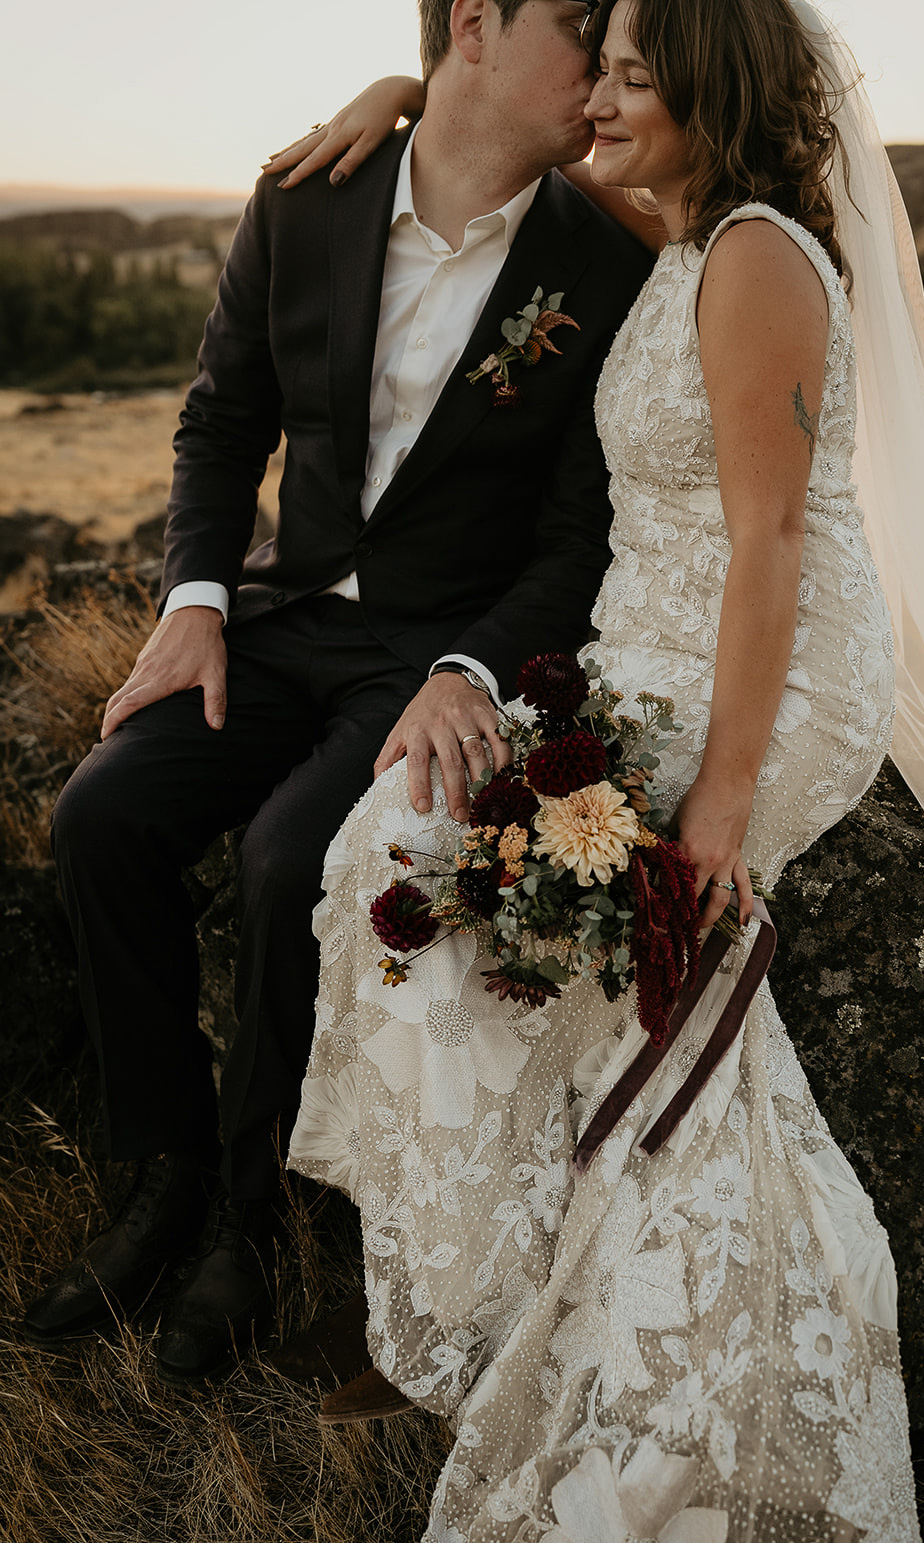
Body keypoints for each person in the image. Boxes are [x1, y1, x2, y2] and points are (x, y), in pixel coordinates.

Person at [274, 0, 924, 1543]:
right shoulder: (689, 222)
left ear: (709, 91)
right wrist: (407, 89)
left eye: (637, 74)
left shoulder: (762, 253)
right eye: (604, 66)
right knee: (399, 846)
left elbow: (770, 541)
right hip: (644, 639)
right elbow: (527, 146)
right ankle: (491, 1293)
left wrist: (720, 801)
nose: (604, 97)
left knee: (525, 924)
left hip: (761, 671)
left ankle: (594, 1349)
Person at [19, 0, 652, 1386]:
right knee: (103, 815)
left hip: (431, 659)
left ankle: (255, 1222)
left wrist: (468, 670)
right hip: (277, 613)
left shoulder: (607, 259)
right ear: (473, 24)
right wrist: (193, 603)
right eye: (582, 24)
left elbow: (576, 538)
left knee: (287, 862)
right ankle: (159, 1177)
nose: (606, 63)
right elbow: (222, 417)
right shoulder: (309, 197)